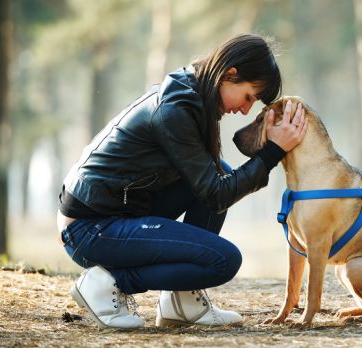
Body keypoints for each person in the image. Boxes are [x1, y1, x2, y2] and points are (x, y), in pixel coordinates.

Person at [57, 33, 307, 329]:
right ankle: (108, 281)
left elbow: (212, 187)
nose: (245, 110)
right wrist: (272, 152)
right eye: (249, 96)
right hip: (90, 230)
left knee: (221, 171)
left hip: (119, 214)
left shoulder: (194, 94)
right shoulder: (176, 108)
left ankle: (181, 301)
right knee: (223, 260)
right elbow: (217, 195)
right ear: (229, 75)